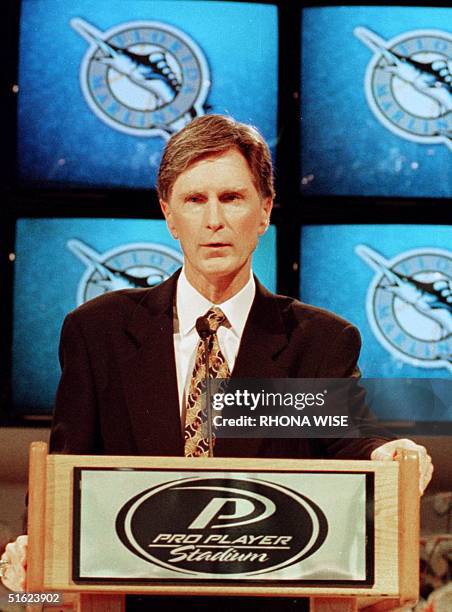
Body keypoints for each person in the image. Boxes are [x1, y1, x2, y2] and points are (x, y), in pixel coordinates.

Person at [1, 115, 433, 604]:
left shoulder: (318, 341)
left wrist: (388, 455)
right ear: (168, 214)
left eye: (232, 198)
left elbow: (345, 443)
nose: (213, 221)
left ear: (265, 210)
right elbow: (65, 470)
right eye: (193, 200)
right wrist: (34, 546)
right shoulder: (99, 332)